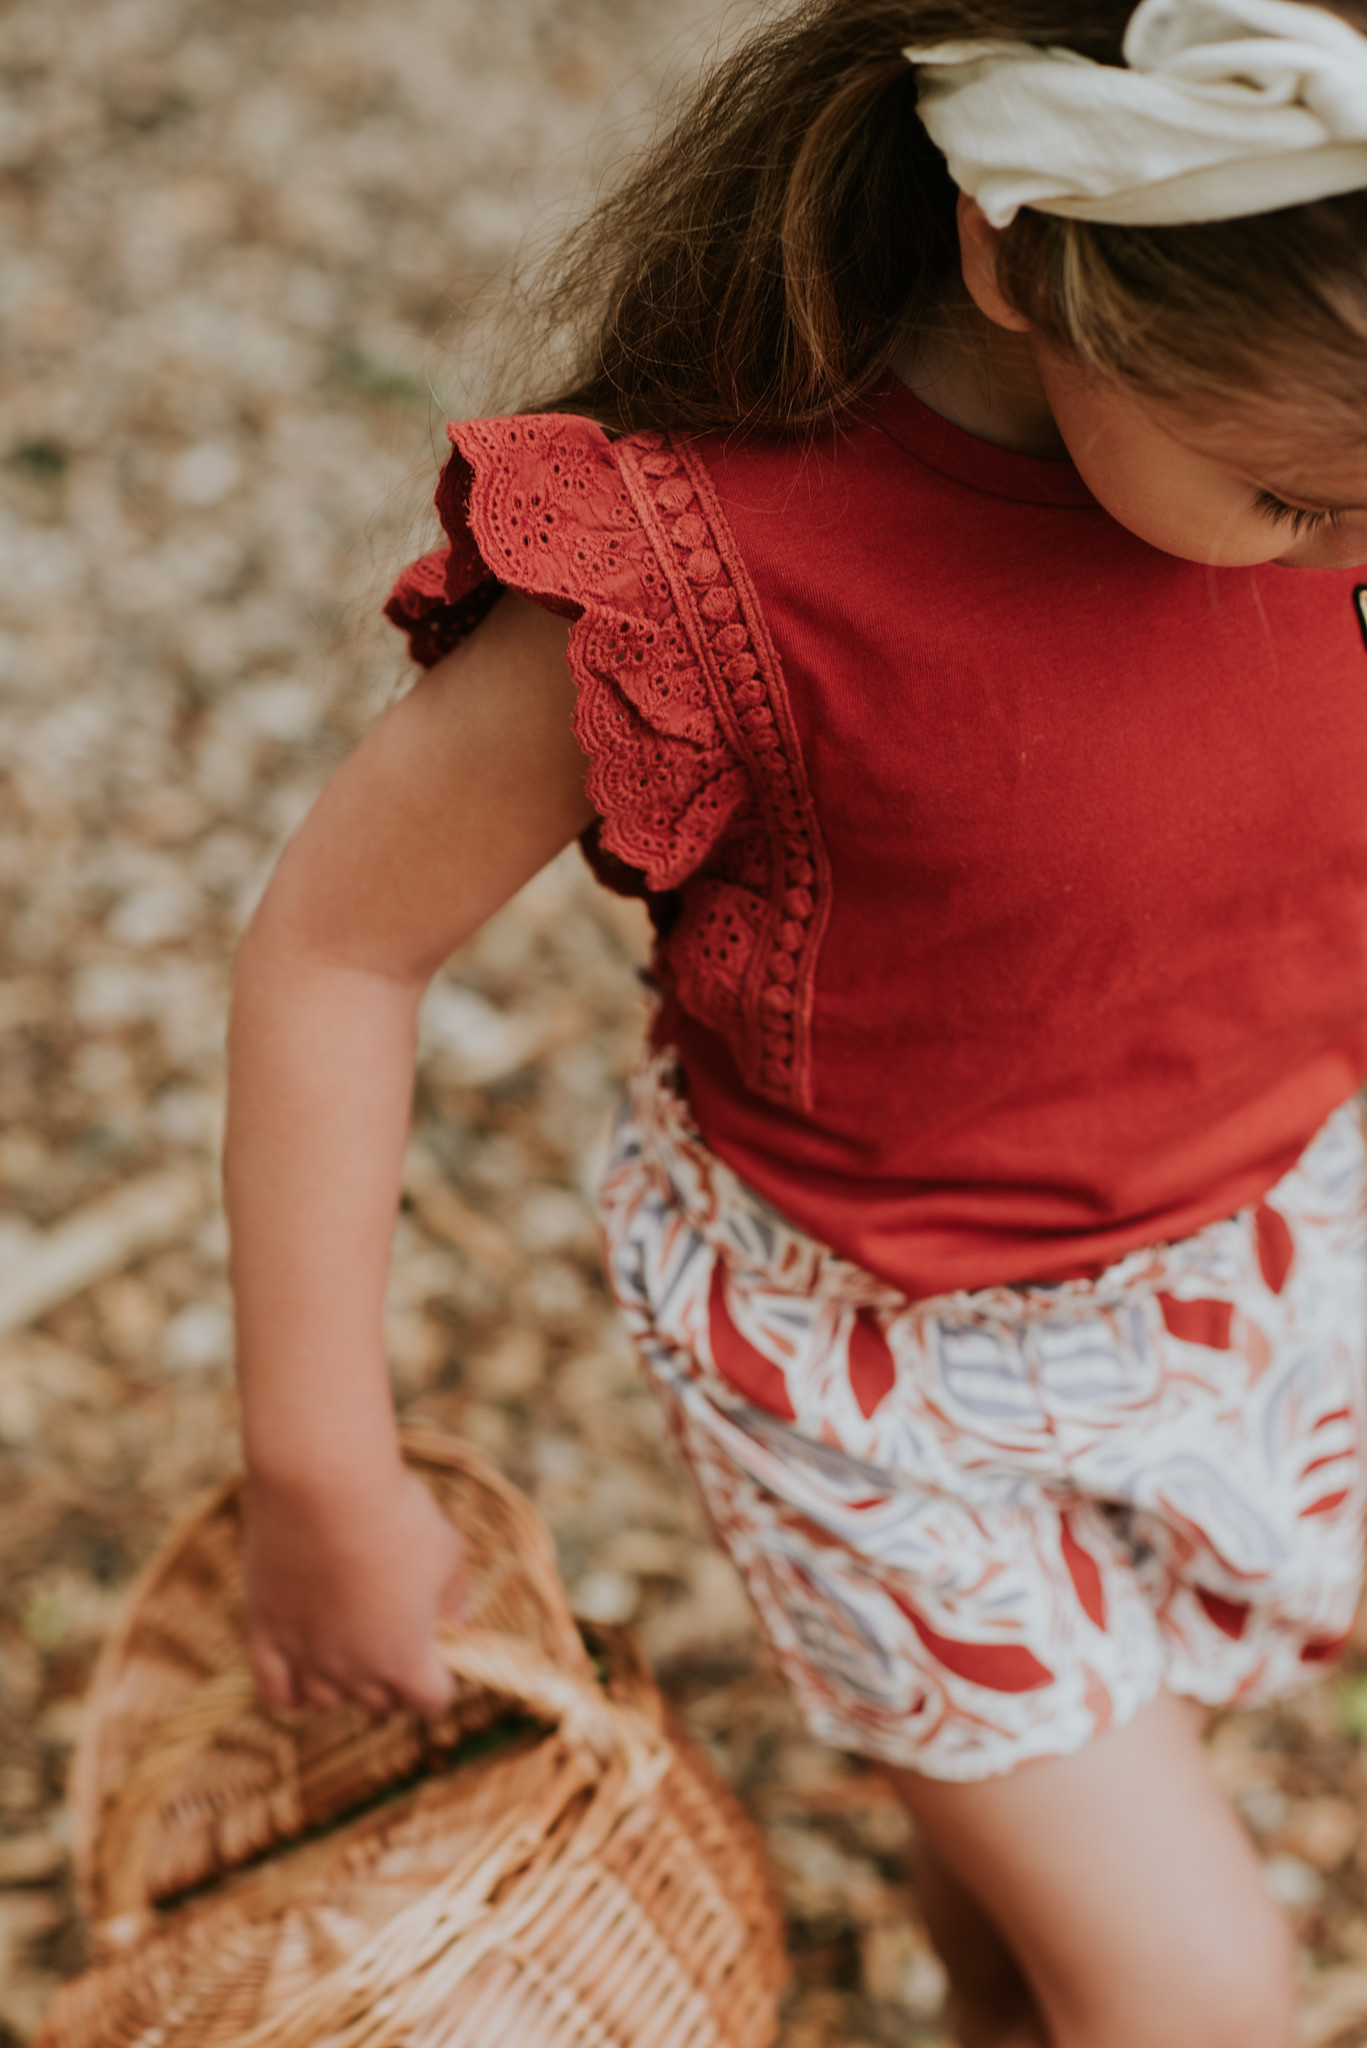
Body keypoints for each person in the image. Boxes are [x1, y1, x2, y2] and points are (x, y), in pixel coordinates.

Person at [223, 2, 1367, 2042]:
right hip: (884, 1376)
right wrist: (320, 1470)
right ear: (1013, 248)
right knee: (1198, 1986)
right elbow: (337, 951)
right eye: (1297, 502)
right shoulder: (709, 569)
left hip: (1262, 1272)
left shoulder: (1304, 446)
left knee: (1049, 1906)